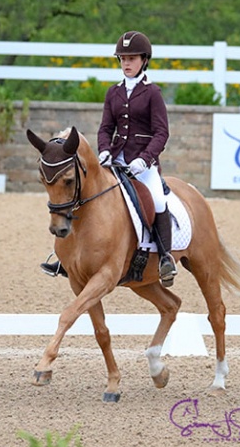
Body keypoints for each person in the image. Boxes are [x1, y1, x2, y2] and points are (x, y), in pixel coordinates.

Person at [41, 31, 177, 287]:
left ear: (144, 61)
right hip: (115, 160)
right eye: (123, 59)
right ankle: (65, 257)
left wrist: (146, 159)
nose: (126, 64)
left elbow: (162, 132)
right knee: (84, 194)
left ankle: (165, 258)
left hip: (142, 164)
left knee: (158, 199)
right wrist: (104, 149)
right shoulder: (113, 93)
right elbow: (105, 128)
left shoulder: (152, 93)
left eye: (132, 59)